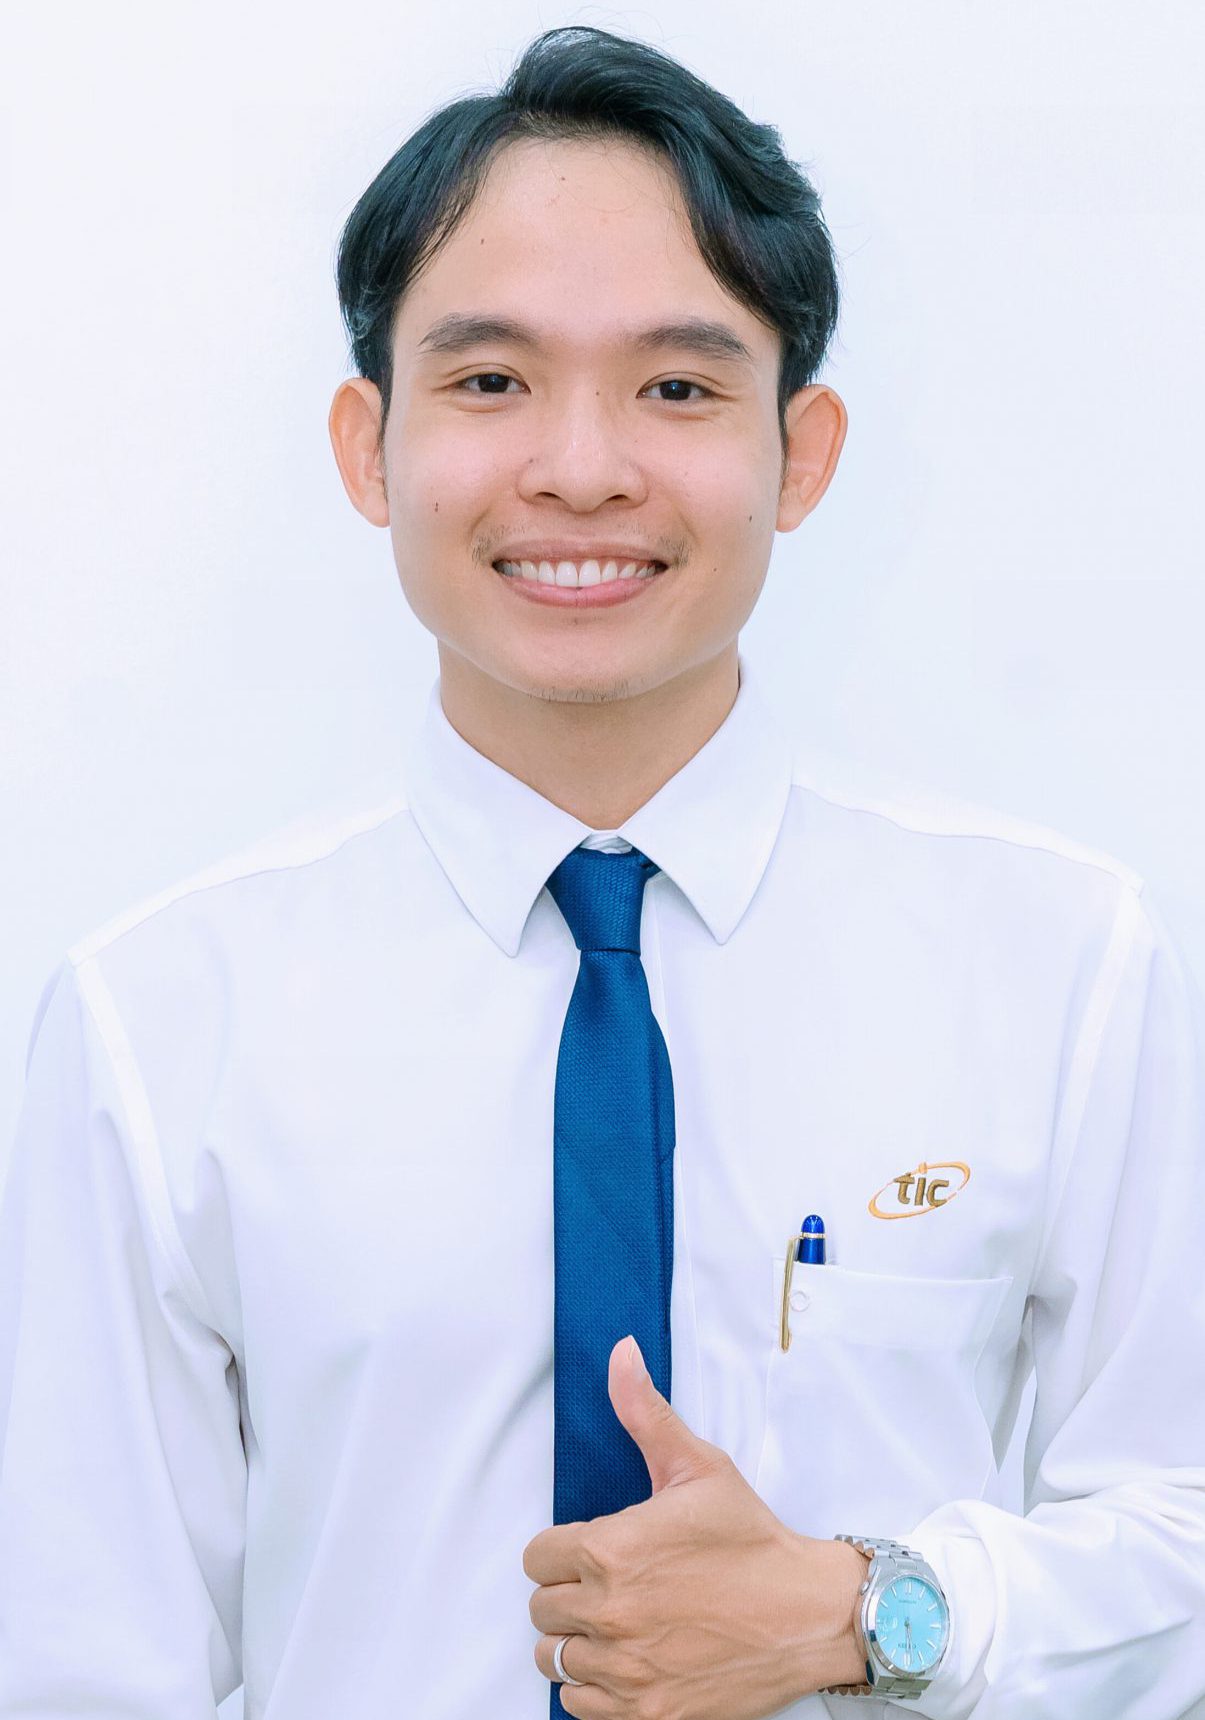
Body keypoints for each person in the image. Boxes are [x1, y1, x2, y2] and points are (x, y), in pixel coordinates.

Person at [1, 22, 1203, 1720]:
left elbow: (1180, 1521)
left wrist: (874, 1611)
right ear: (366, 446)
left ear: (802, 452)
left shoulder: (1058, 957)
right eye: (491, 382)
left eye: (678, 387)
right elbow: (85, 1660)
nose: (580, 466)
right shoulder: (156, 1018)